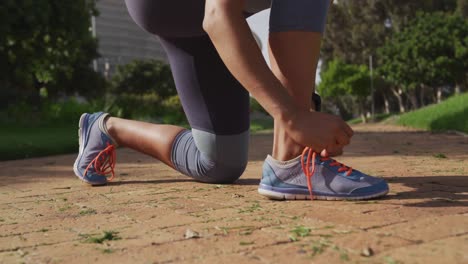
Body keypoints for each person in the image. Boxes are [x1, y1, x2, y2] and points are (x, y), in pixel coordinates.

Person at [73, 0, 389, 200]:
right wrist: (292, 116)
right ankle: (292, 160)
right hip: (171, 6)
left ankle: (107, 128)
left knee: (218, 164)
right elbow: (217, 14)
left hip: (206, 16)